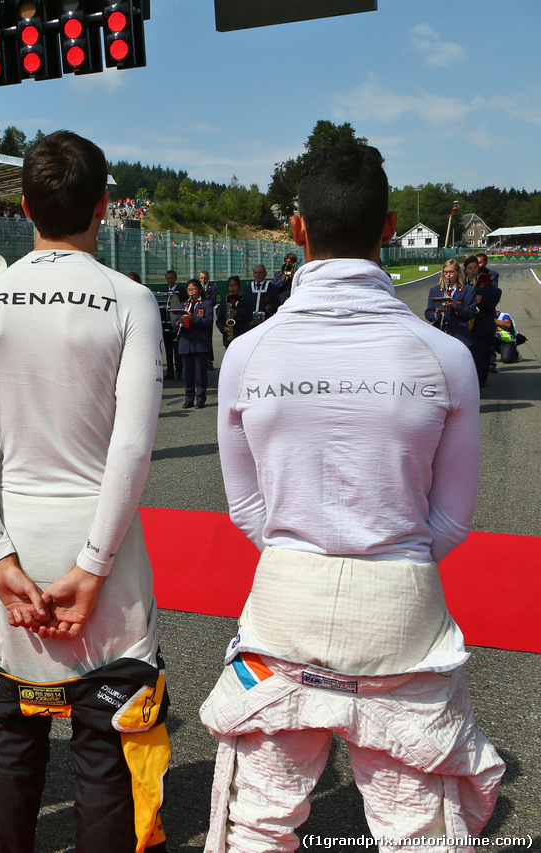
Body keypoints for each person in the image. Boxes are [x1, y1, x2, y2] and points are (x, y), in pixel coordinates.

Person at [203, 143, 504, 850]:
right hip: (402, 605)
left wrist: (307, 552)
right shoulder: (445, 355)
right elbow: (454, 515)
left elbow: (247, 506)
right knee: (415, 824)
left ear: (299, 230)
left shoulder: (249, 351)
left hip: (284, 599)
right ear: (390, 226)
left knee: (261, 818)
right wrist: (388, 553)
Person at [0, 130, 170, 853]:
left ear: (24, 208)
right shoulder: (131, 299)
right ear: (103, 206)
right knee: (106, 752)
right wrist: (96, 564)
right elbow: (132, 444)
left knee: (11, 742)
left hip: (13, 550)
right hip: (105, 555)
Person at [464, 256, 501, 388]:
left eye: (475, 268)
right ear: (465, 270)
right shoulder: (462, 283)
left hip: (482, 325)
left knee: (481, 358)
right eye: (470, 268)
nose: (473, 270)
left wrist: (482, 299)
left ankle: (479, 383)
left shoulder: (487, 282)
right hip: (464, 325)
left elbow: (496, 296)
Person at [175, 279, 213, 408]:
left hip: (200, 343)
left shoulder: (206, 304)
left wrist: (193, 319)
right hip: (186, 343)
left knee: (200, 373)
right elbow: (174, 322)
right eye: (189, 290)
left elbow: (208, 322)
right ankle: (189, 398)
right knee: (188, 373)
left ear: (200, 290)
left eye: (194, 289)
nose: (191, 292)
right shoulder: (183, 305)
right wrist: (178, 322)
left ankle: (201, 398)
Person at [424, 258, 470, 343]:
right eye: (445, 272)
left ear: (458, 272)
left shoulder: (467, 290)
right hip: (440, 333)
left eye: (451, 272)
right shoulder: (434, 290)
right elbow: (428, 313)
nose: (448, 275)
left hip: (459, 335)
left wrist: (455, 306)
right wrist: (436, 314)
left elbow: (470, 312)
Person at [217, 275, 253, 347]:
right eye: (230, 286)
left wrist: (238, 313)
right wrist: (223, 327)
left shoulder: (245, 301)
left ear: (239, 286)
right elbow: (219, 320)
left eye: (235, 285)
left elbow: (249, 317)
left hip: (242, 334)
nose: (232, 288)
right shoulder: (224, 302)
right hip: (228, 336)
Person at [161, 270, 183, 381]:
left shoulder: (181, 291)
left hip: (177, 326)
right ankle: (170, 372)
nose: (169, 280)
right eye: (167, 278)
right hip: (166, 326)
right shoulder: (164, 292)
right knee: (168, 350)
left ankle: (179, 372)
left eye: (171, 278)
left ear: (175, 278)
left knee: (177, 350)